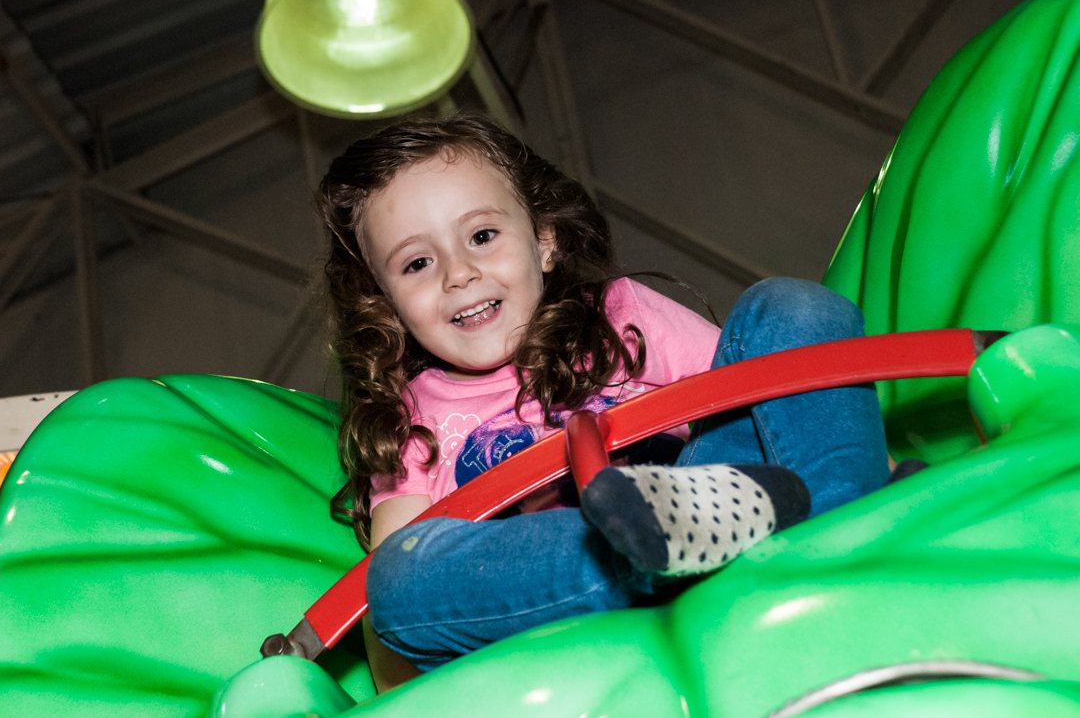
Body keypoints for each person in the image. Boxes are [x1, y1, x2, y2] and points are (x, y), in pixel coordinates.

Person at [315, 113, 891, 691]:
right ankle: (641, 551)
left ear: (545, 241)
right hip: (574, 602)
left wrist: (862, 455)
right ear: (387, 304)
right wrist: (400, 697)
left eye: (482, 236)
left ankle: (849, 518)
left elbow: (763, 398)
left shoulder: (618, 314)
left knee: (788, 307)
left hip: (719, 500)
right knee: (392, 575)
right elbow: (395, 583)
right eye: (417, 263)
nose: (459, 274)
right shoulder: (411, 416)